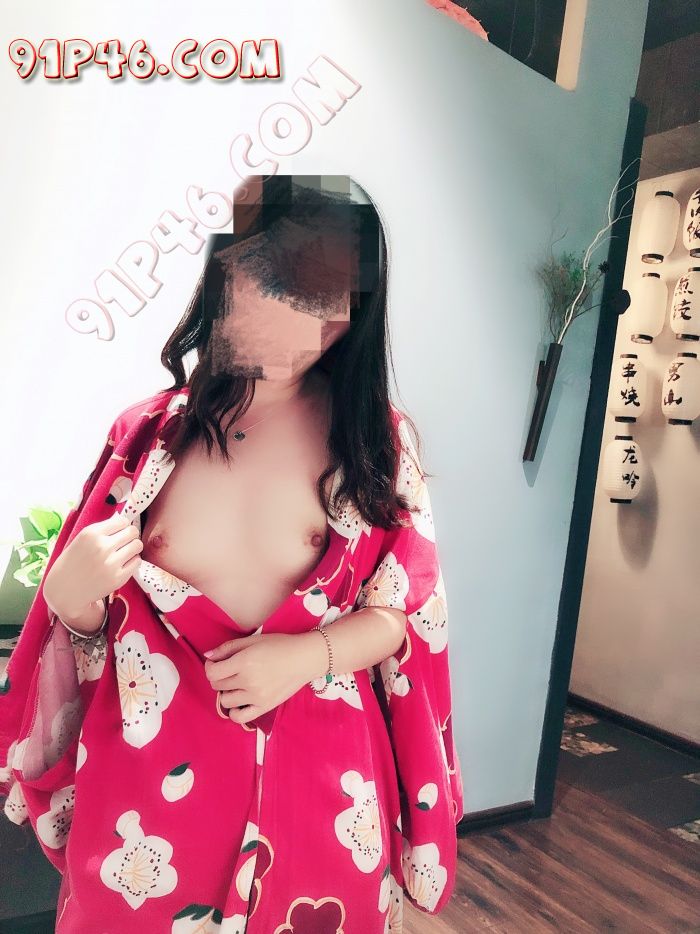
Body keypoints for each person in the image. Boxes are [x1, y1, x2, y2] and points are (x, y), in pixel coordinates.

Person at [0, 175, 464, 933]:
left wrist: (306, 655)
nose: (294, 323)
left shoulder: (377, 442)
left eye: (324, 299)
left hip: (323, 789)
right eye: (274, 285)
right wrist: (69, 598)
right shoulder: (147, 439)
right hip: (147, 801)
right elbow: (95, 635)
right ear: (226, 273)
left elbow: (401, 614)